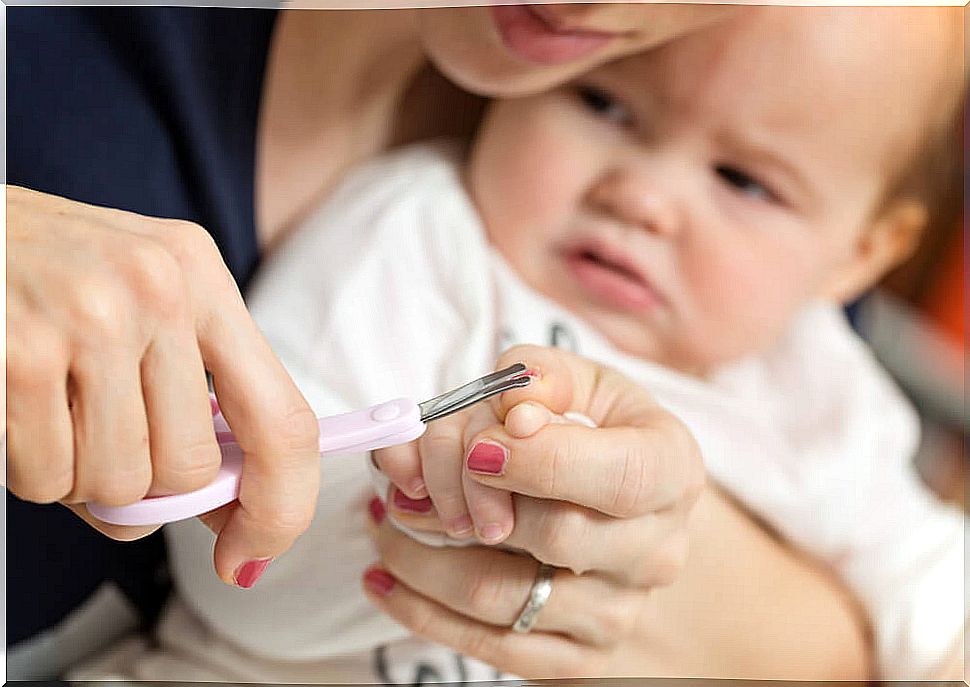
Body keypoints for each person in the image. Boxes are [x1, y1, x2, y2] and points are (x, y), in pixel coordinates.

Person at [97, 5, 959, 682]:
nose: (641, 197)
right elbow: (235, 565)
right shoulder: (418, 239)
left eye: (742, 180)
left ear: (863, 253)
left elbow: (934, 608)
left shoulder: (812, 382)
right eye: (605, 104)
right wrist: (440, 511)